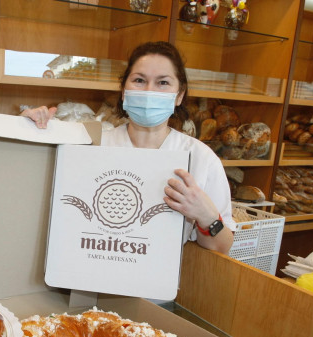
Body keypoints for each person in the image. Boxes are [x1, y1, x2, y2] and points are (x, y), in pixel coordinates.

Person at [21, 41, 235, 253]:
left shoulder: (201, 159)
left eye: (163, 83)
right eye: (140, 80)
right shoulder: (92, 145)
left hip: (159, 282)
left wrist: (206, 217)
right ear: (124, 91)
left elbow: (222, 247)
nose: (150, 91)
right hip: (93, 273)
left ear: (179, 95)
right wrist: (24, 128)